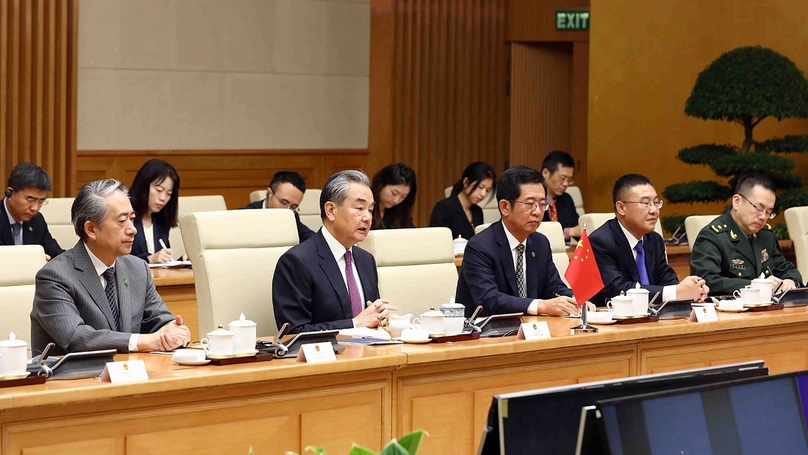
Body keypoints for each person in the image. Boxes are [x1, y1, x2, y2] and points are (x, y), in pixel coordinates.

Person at [30, 179, 191, 355]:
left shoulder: (138, 268)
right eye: (122, 221)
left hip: (130, 375)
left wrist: (175, 331)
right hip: (76, 378)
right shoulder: (55, 276)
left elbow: (160, 321)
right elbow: (76, 337)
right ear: (91, 229)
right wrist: (145, 341)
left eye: (132, 219)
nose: (133, 230)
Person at [455, 166, 591, 318]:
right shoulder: (480, 246)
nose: (538, 212)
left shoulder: (540, 243)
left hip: (532, 329)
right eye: (529, 204)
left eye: (541, 204)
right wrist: (542, 305)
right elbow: (489, 300)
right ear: (505, 207)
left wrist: (575, 299)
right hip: (486, 334)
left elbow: (554, 287)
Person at [273, 170, 397, 333]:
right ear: (331, 210)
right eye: (359, 208)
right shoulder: (297, 261)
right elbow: (293, 332)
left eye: (370, 210)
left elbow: (369, 320)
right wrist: (354, 324)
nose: (367, 218)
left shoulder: (366, 260)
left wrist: (380, 318)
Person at [589, 174, 709, 306]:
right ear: (621, 208)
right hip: (614, 320)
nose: (654, 210)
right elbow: (618, 289)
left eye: (656, 203)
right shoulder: (600, 241)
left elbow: (667, 279)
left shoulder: (654, 239)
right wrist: (674, 292)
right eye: (646, 203)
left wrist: (691, 290)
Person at [690, 174, 803, 295]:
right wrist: (755, 286)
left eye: (769, 212)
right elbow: (706, 282)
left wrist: (790, 281)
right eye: (759, 208)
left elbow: (787, 269)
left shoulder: (765, 235)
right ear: (737, 202)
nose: (763, 217)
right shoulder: (712, 236)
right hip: (729, 310)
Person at [1, 162, 64, 259]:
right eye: (30, 200)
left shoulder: (37, 220)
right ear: (10, 193)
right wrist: (35, 259)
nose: (35, 208)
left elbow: (57, 255)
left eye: (41, 201)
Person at [129, 159, 180, 264]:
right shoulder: (125, 218)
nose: (163, 198)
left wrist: (183, 261)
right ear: (143, 185)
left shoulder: (161, 222)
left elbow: (162, 261)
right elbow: (117, 260)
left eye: (169, 194)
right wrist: (149, 259)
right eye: (159, 190)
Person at [241, 171, 315, 243]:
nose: (287, 210)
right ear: (269, 193)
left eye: (293, 206)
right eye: (284, 202)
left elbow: (312, 240)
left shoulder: (292, 216)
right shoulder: (245, 215)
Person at [429, 162, 496, 240]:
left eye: (487, 190)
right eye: (480, 187)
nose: (483, 194)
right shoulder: (443, 208)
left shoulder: (478, 211)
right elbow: (436, 240)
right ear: (466, 182)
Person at [541, 151, 581, 240]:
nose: (566, 184)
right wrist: (569, 232)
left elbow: (578, 230)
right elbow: (534, 233)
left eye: (569, 180)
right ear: (545, 173)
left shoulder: (566, 200)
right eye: (562, 178)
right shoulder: (532, 199)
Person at [370, 163, 417, 229]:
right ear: (381, 184)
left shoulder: (401, 212)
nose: (396, 200)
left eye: (403, 197)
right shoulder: (364, 208)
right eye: (394, 193)